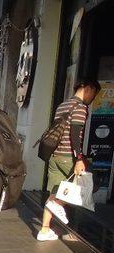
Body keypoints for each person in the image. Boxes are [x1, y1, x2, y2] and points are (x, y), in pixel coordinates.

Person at [37, 79, 101, 241]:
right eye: (94, 93)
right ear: (88, 88)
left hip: (55, 155)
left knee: (54, 192)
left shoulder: (63, 105)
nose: (92, 98)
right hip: (68, 157)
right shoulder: (80, 107)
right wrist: (79, 158)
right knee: (85, 188)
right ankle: (67, 229)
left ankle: (44, 231)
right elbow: (75, 135)